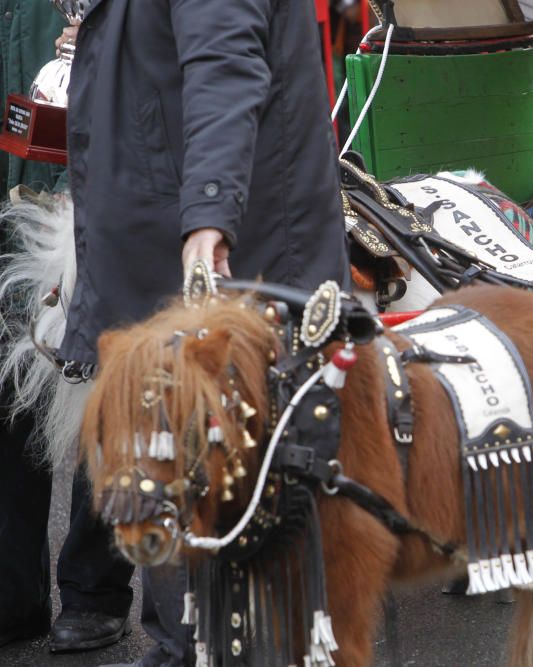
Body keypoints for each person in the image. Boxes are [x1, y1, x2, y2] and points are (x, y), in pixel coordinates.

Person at [61, 1, 349, 664]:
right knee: (180, 464)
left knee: (218, 465)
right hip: (174, 237)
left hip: (215, 248)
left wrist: (210, 216)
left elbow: (225, 67)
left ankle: (212, 644)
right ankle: (185, 639)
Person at [0, 0, 133, 653]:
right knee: (7, 377)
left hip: (100, 168)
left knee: (101, 379)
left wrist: (119, 35)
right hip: (11, 166)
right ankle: (11, 590)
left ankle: (95, 587)